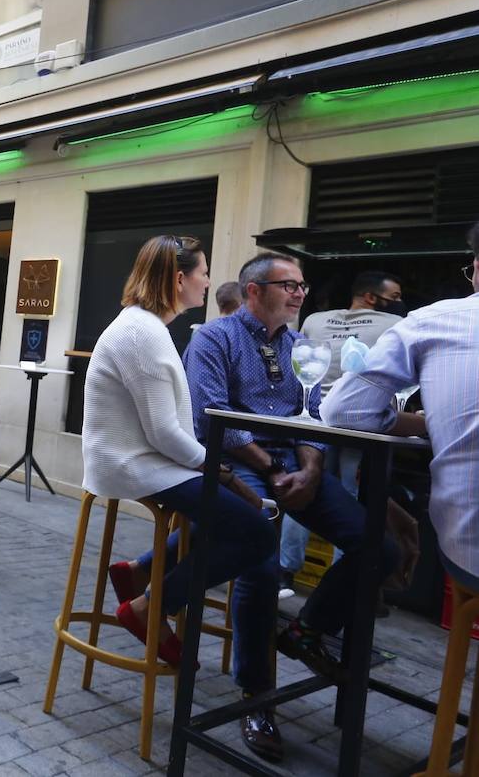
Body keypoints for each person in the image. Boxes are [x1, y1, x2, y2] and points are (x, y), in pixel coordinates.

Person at [181, 252, 400, 764]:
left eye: (303, 286)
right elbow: (212, 417)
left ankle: (307, 630)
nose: (301, 293)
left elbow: (315, 412)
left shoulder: (302, 345)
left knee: (379, 547)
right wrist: (272, 470)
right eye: (289, 285)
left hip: (294, 464)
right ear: (254, 290)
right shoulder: (213, 339)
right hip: (239, 463)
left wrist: (310, 468)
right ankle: (256, 697)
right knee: (261, 568)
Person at [90, 237, 276, 668]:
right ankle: (148, 607)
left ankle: (140, 571)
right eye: (203, 272)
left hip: (142, 458)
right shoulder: (142, 332)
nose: (209, 281)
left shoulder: (145, 325)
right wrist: (221, 471)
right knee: (257, 534)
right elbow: (163, 434)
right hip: (134, 464)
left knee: (226, 517)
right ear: (179, 279)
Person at [322, 222, 479, 595]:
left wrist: (428, 425)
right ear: (371, 296)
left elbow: (342, 411)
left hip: (467, 544)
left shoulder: (430, 321)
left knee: (337, 485)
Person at [281, 270, 405, 597]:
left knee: (306, 489)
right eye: (394, 297)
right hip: (356, 424)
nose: (398, 303)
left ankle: (285, 570)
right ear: (371, 298)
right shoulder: (394, 326)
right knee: (351, 501)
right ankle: (346, 578)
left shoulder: (315, 320)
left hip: (314, 421)